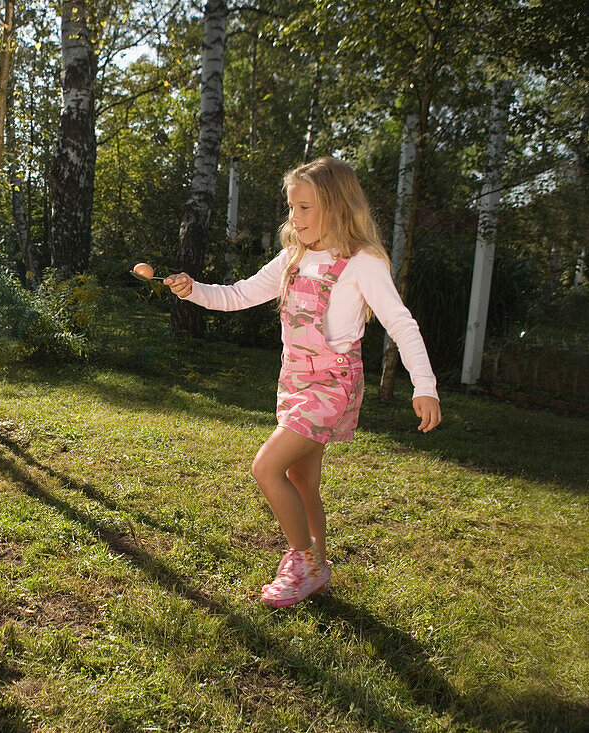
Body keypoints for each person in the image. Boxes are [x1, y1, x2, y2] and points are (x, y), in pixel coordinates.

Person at [163, 156, 441, 608]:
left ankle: (303, 561)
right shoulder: (292, 258)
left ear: (337, 205)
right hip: (295, 380)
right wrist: (194, 289)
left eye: (305, 207)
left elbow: (401, 323)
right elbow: (239, 294)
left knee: (267, 467)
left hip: (333, 384)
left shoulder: (361, 262)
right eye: (292, 208)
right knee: (300, 477)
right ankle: (320, 569)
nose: (295, 217)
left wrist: (423, 385)